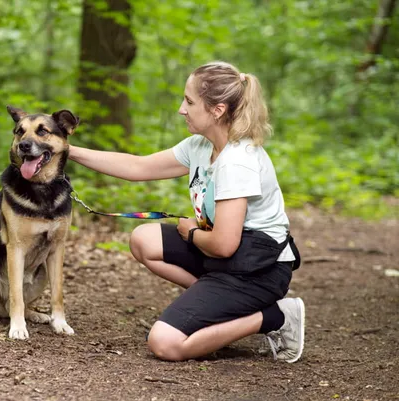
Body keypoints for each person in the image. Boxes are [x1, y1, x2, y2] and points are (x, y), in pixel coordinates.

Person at [68, 61, 304, 363]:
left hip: (257, 270)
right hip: (228, 260)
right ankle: (218, 307)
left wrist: (190, 232)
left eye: (189, 101)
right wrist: (67, 150)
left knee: (165, 343)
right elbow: (137, 167)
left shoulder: (236, 162)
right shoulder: (199, 146)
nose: (182, 109)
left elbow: (223, 244)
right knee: (144, 239)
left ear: (216, 111)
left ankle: (275, 317)